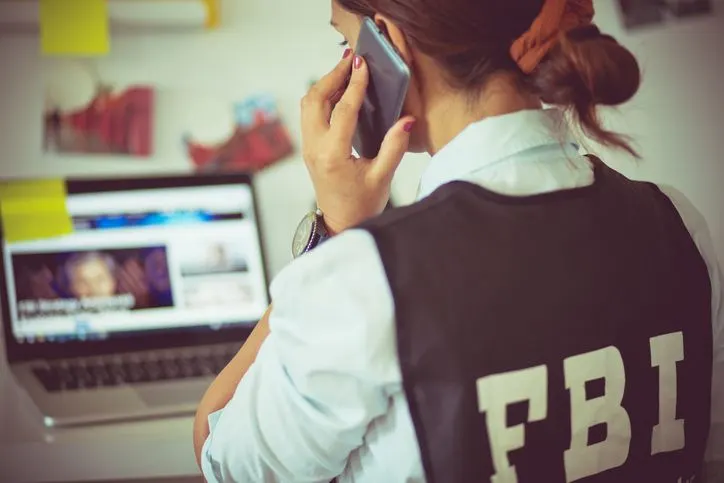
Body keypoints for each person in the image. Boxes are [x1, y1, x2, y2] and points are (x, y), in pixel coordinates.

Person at [193, 0, 724, 481]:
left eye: (346, 43)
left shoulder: (368, 280)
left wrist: (336, 229)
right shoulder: (677, 222)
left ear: (390, 43)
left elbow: (222, 457)